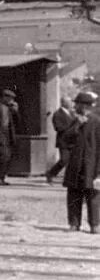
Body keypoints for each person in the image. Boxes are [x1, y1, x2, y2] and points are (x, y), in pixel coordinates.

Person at [63, 91, 100, 233]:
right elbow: (64, 140)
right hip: (76, 164)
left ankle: (95, 225)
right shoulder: (75, 120)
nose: (75, 106)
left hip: (92, 165)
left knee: (93, 195)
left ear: (84, 106)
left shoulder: (97, 122)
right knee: (73, 194)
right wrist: (76, 126)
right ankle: (74, 223)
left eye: (77, 104)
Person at [0, 88, 18, 185]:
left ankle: (0, 177)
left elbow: (16, 122)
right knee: (4, 157)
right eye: (10, 98)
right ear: (4, 97)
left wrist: (15, 111)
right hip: (0, 136)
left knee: (6, 157)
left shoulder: (9, 108)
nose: (11, 101)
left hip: (7, 136)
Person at [47, 95, 76, 184]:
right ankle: (50, 173)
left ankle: (69, 179)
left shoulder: (72, 113)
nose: (71, 103)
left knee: (73, 161)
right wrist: (72, 128)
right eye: (69, 102)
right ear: (63, 103)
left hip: (73, 141)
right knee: (64, 160)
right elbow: (58, 127)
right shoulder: (57, 114)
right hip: (63, 141)